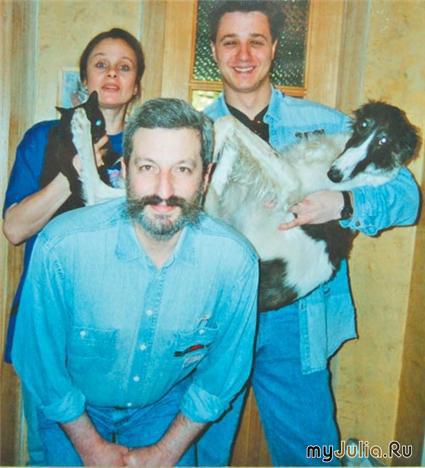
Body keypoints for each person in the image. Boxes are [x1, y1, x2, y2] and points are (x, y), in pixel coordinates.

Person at [197, 1, 421, 466]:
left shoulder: (327, 121)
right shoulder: (194, 130)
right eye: (230, 42)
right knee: (199, 452)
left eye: (256, 41)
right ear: (214, 51)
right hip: (214, 313)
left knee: (312, 456)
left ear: (274, 47)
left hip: (297, 318)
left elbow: (407, 199)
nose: (244, 55)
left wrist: (343, 203)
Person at [12, 97, 259, 466]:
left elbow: (220, 378)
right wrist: (90, 446)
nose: (164, 189)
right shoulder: (62, 247)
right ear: (125, 170)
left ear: (206, 177)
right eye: (147, 167)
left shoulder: (235, 262)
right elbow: (41, 364)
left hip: (164, 407)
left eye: (183, 169)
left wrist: (166, 451)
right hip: (71, 402)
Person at [2, 28, 145, 465]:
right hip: (50, 325)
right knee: (51, 454)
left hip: (124, 329)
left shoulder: (149, 147)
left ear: (137, 85)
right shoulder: (44, 138)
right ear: (85, 79)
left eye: (124, 67)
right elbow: (14, 229)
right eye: (101, 64)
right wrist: (74, 174)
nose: (112, 74)